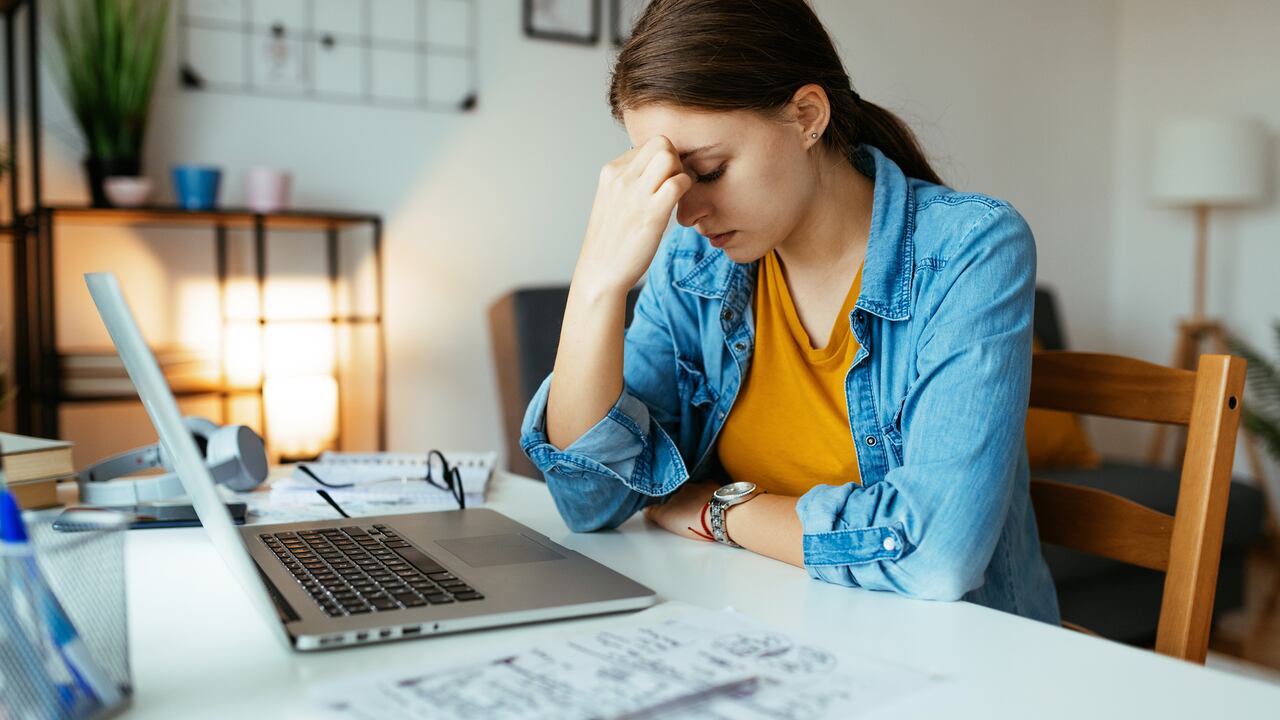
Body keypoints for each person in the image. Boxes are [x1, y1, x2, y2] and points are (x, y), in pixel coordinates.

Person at [519, 0, 1059, 623]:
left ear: (807, 116)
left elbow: (936, 553)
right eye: (669, 181)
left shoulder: (970, 249)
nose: (687, 214)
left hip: (957, 657)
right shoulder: (696, 265)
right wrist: (596, 284)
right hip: (765, 629)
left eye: (710, 170)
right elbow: (591, 499)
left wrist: (715, 509)